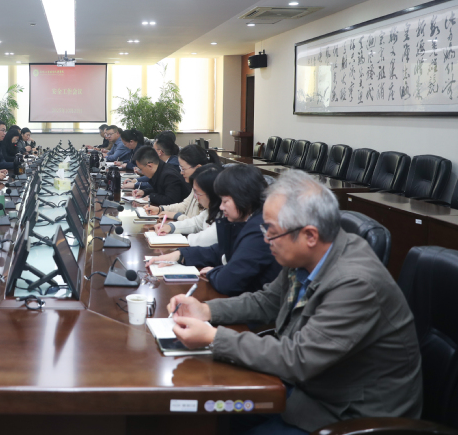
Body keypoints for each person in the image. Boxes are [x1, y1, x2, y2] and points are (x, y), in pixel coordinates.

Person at [166, 169, 422, 434]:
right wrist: (206, 309)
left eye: (271, 231)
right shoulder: (307, 254)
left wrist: (213, 337)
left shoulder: (355, 283)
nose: (266, 239)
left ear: (310, 235)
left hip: (347, 414)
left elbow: (299, 358)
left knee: (224, 416)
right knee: (217, 411)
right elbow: (266, 301)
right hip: (310, 388)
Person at [152, 164, 280, 296]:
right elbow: (219, 250)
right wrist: (181, 255)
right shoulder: (246, 220)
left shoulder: (260, 229)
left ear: (242, 197)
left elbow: (228, 281)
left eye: (225, 201)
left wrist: (214, 272)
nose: (221, 207)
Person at [141, 144, 221, 220]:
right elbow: (185, 205)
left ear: (197, 167)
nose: (181, 172)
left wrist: (176, 215)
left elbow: (198, 223)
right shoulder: (196, 185)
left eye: (183, 169)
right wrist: (160, 209)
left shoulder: (209, 190)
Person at [149, 164, 221, 247]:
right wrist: (170, 227)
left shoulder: (223, 214)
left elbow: (206, 239)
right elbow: (195, 223)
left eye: (198, 194)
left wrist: (182, 239)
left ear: (212, 193)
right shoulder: (210, 210)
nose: (195, 197)